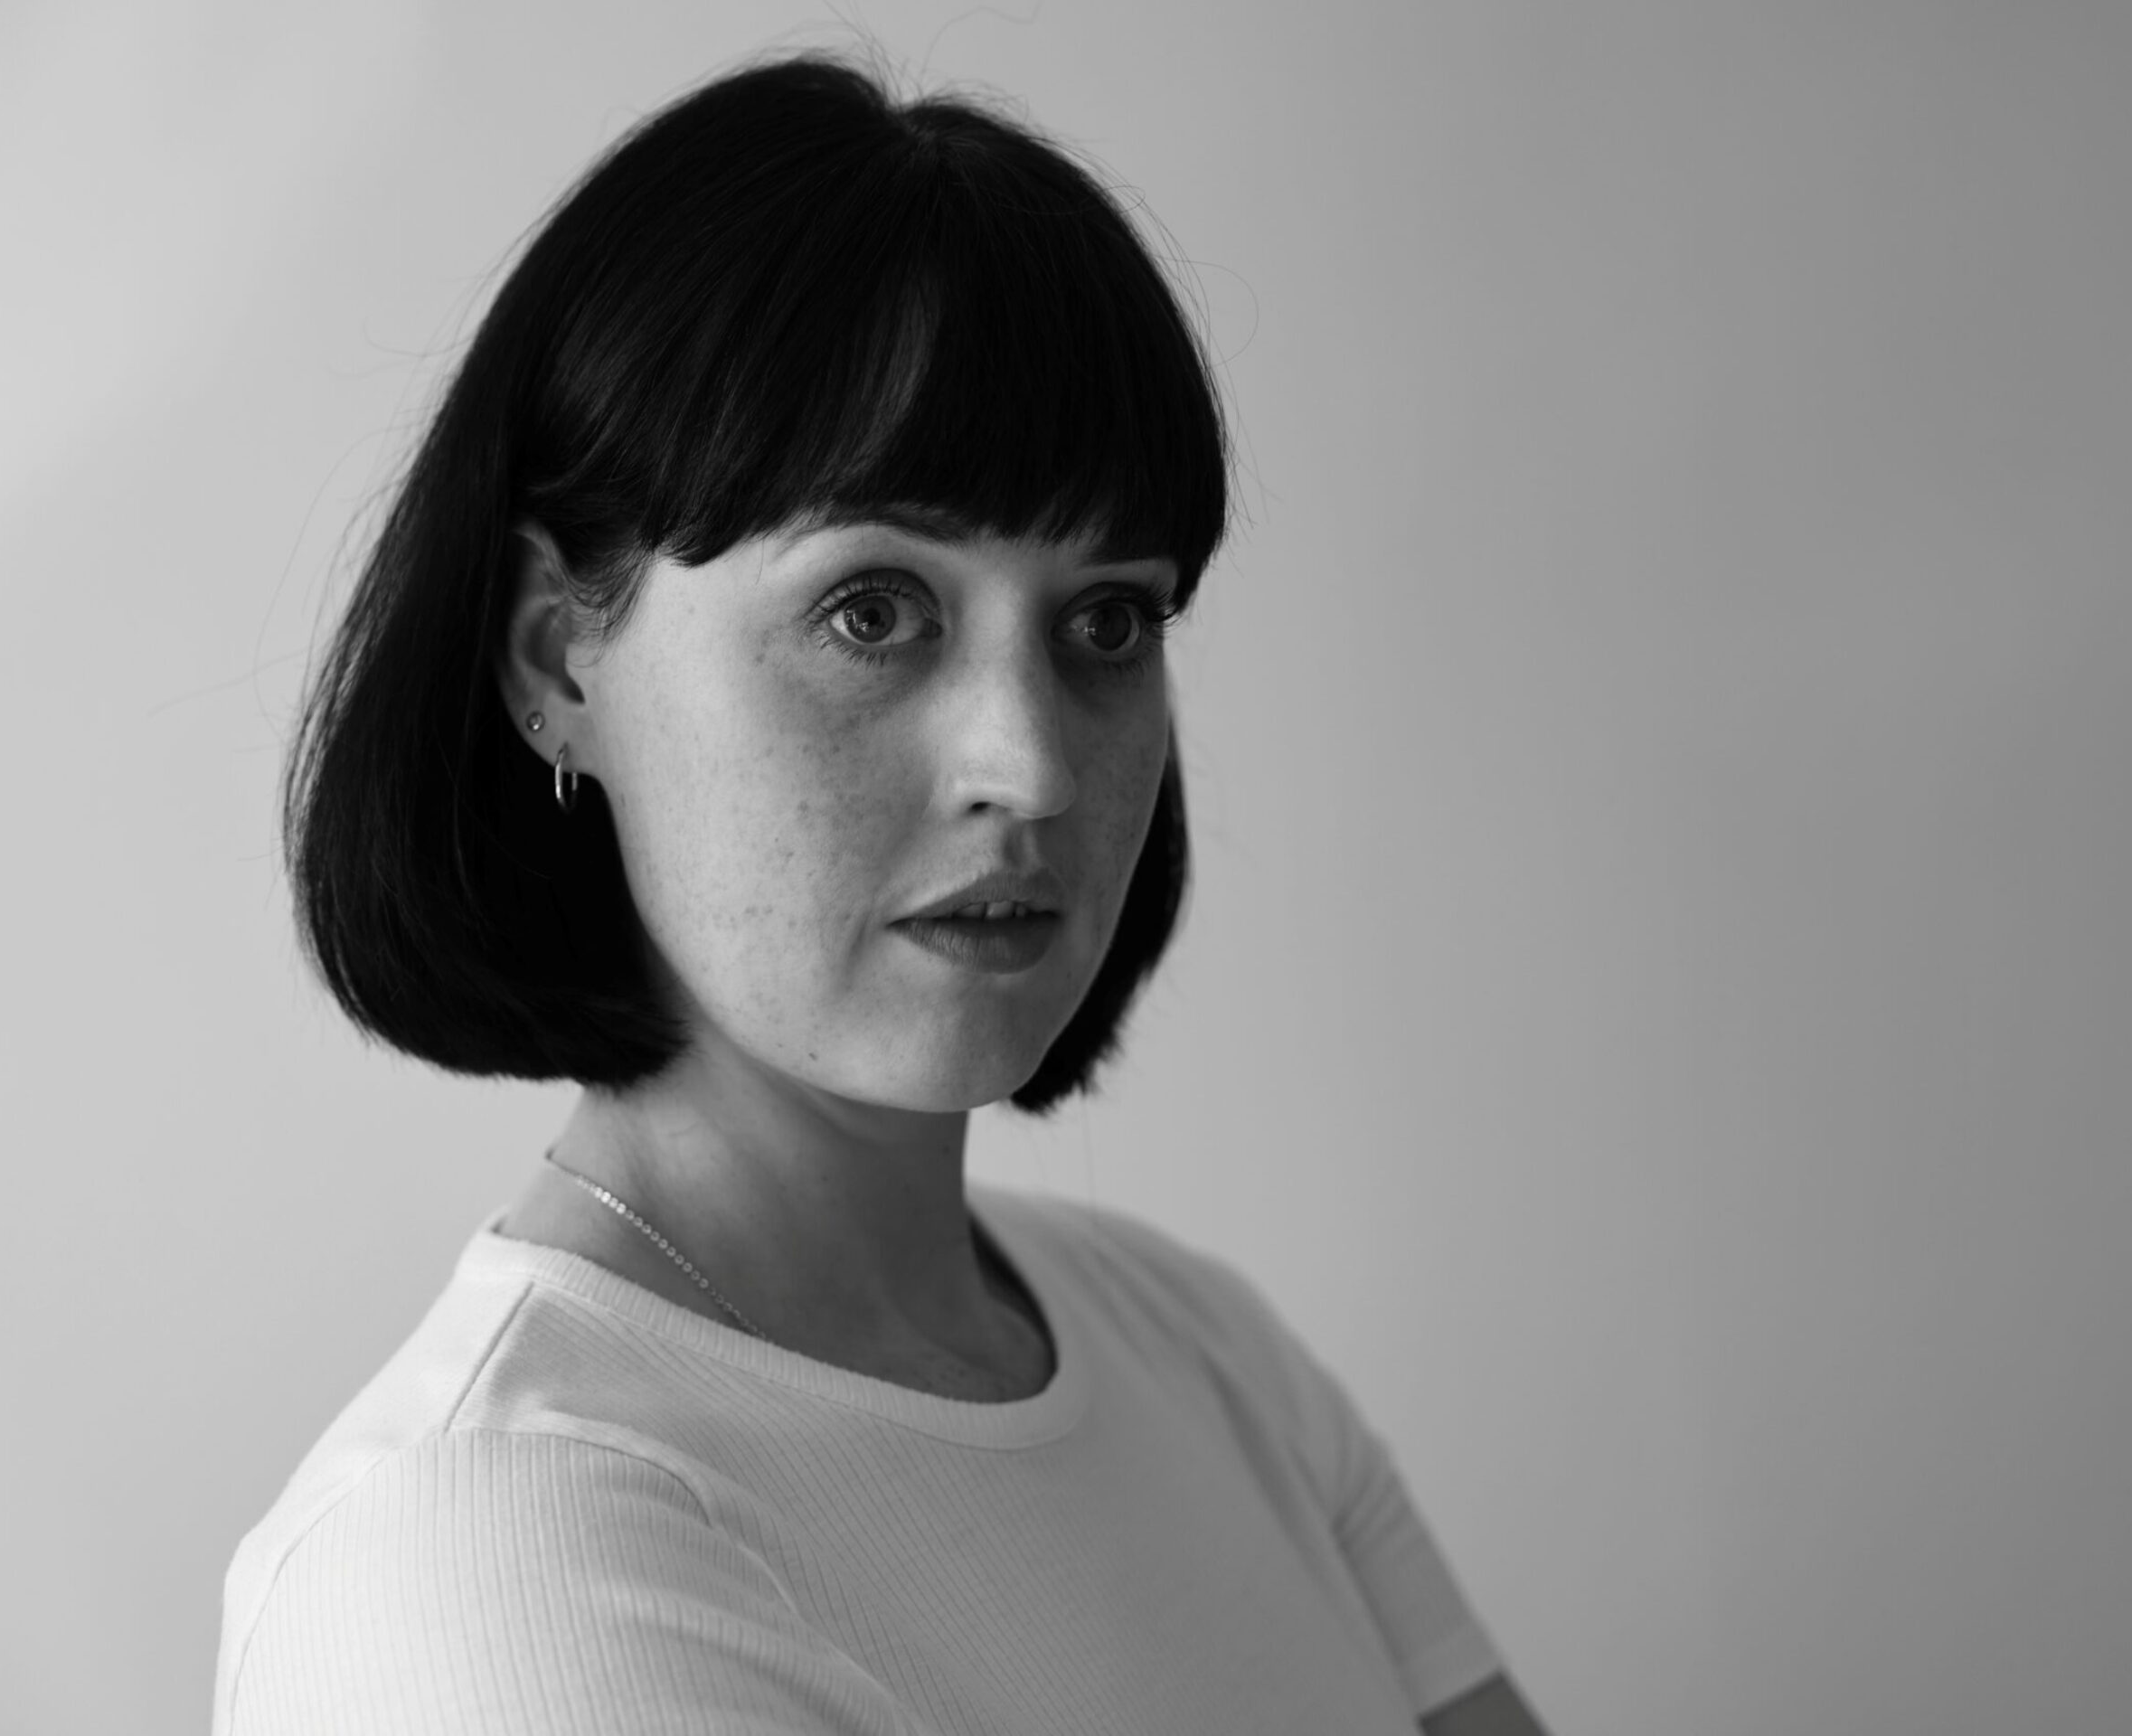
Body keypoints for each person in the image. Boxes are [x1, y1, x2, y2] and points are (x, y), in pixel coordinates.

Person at [214, 52, 1547, 1736]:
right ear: (561, 658)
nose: (1036, 768)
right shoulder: (483, 1565)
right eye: (872, 611)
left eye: (1107, 622)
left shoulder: (1205, 1356)